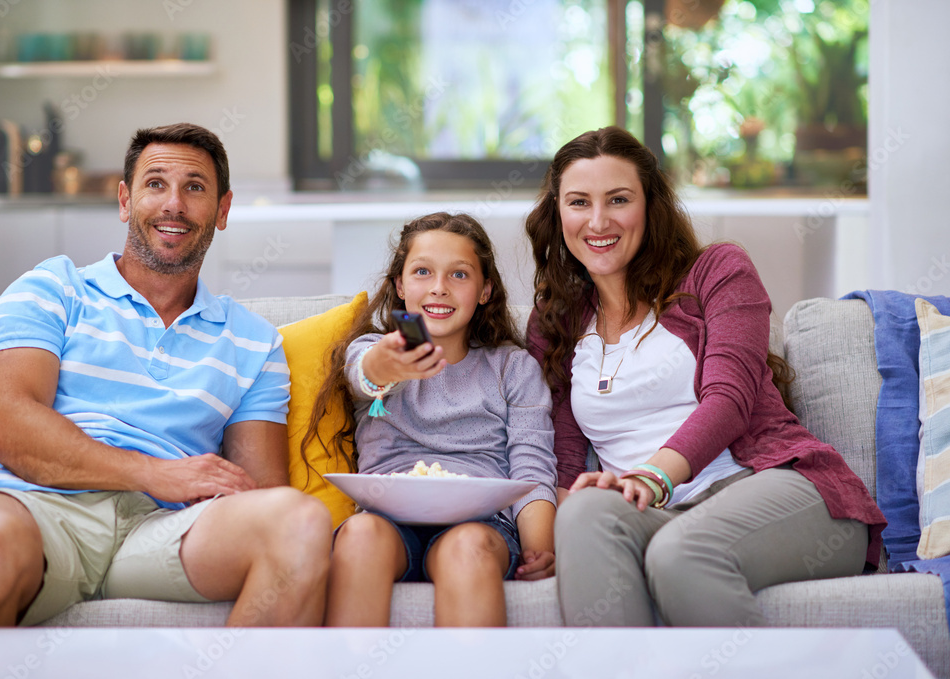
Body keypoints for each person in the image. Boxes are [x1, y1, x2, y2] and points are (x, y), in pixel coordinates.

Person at [0, 123, 331, 641]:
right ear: (126, 201)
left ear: (222, 210)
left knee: (299, 522)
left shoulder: (254, 342)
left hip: (168, 528)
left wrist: (183, 491)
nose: (174, 204)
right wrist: (155, 472)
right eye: (156, 184)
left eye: (195, 187)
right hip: (40, 504)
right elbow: (8, 429)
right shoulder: (52, 288)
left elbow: (258, 490)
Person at [524, 126, 887, 628]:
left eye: (619, 199)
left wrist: (650, 477)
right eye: (579, 202)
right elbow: (564, 455)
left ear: (651, 206)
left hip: (780, 491)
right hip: (658, 512)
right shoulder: (557, 319)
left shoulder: (716, 271)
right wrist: (550, 541)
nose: (599, 220)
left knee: (681, 552)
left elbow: (729, 399)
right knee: (583, 513)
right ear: (558, 212)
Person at [310, 212, 556, 627]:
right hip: (384, 518)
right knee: (360, 536)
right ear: (400, 285)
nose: (439, 287)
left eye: (459, 274)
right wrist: (387, 365)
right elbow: (365, 373)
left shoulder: (512, 368)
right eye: (422, 271)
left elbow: (532, 466)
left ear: (485, 290)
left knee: (467, 547)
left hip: (482, 521)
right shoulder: (377, 350)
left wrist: (539, 548)